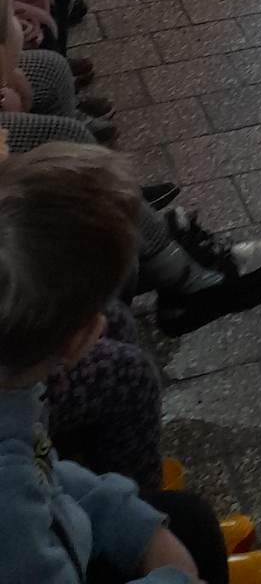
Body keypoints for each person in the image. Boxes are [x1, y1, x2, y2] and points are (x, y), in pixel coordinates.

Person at [0, 143, 235, 584]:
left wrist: (124, 516)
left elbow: (44, 468)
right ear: (76, 342)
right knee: (194, 529)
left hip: (56, 524)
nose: (104, 317)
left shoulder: (14, 394)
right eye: (97, 310)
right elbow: (28, 481)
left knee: (190, 520)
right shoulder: (8, 501)